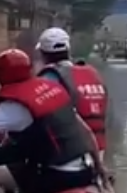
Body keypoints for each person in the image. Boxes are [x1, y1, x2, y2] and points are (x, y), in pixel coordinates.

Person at [0, 48, 103, 193]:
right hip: (83, 173)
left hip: (55, 175)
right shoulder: (55, 88)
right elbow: (87, 132)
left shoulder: (14, 105)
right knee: (18, 167)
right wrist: (100, 169)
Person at [35, 26, 109, 158]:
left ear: (43, 54)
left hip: (69, 152)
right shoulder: (92, 73)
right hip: (99, 148)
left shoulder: (50, 78)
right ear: (68, 50)